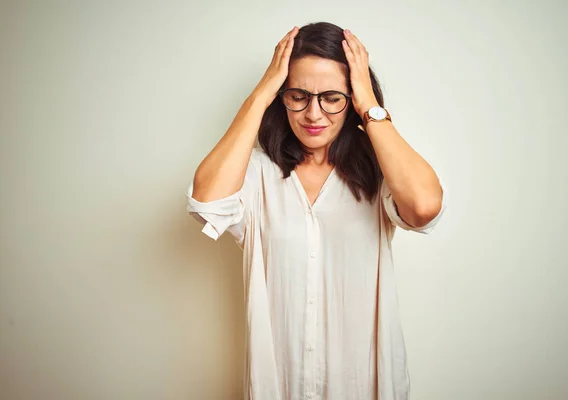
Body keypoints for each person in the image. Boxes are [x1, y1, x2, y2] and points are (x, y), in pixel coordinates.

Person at [186, 21, 446, 400]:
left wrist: (370, 107)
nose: (313, 113)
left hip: (363, 387)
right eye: (298, 95)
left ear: (352, 97)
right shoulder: (257, 172)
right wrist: (261, 93)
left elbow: (424, 206)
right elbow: (206, 201)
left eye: (332, 97)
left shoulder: (379, 169)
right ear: (281, 95)